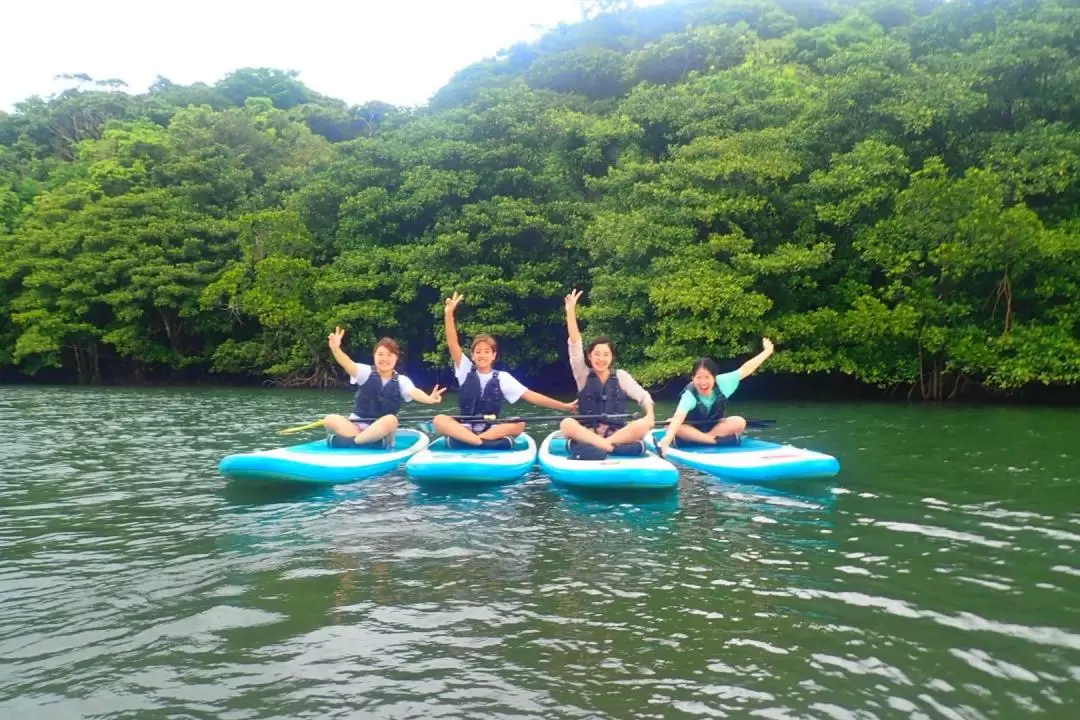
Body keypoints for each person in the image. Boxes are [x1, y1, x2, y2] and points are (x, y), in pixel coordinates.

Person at [433, 292, 577, 449]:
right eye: (478, 352)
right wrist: (449, 314)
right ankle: (478, 442)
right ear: (472, 356)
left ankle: (477, 439)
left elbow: (531, 396)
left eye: (487, 352)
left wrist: (564, 406)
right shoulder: (465, 370)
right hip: (465, 426)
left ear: (494, 355)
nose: (482, 355)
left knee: (519, 423)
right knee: (439, 419)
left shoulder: (502, 377)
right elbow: (453, 343)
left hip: (492, 428)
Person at [559, 288, 656, 456]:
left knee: (641, 425)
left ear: (612, 357)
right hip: (588, 433)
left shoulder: (621, 377)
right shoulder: (583, 375)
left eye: (605, 355)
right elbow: (575, 344)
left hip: (617, 433)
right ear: (589, 356)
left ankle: (604, 445)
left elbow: (644, 397)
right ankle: (610, 448)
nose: (600, 359)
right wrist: (570, 312)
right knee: (567, 423)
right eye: (597, 354)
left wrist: (650, 415)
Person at [323, 327, 445, 447]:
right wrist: (335, 348)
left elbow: (414, 392)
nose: (384, 359)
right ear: (374, 356)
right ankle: (364, 440)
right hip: (355, 425)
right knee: (330, 419)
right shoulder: (365, 372)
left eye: (390, 355)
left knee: (391, 420)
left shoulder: (402, 380)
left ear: (396, 358)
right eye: (380, 354)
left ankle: (354, 442)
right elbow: (347, 363)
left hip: (381, 428)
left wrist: (429, 398)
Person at [656, 339, 775, 456]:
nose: (703, 382)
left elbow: (745, 369)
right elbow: (678, 417)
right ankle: (713, 441)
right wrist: (667, 440)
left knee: (739, 422)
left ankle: (703, 440)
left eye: (707, 377)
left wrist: (767, 352)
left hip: (715, 428)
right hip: (692, 429)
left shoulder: (724, 382)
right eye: (698, 378)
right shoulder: (689, 395)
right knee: (670, 424)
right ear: (693, 378)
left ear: (714, 377)